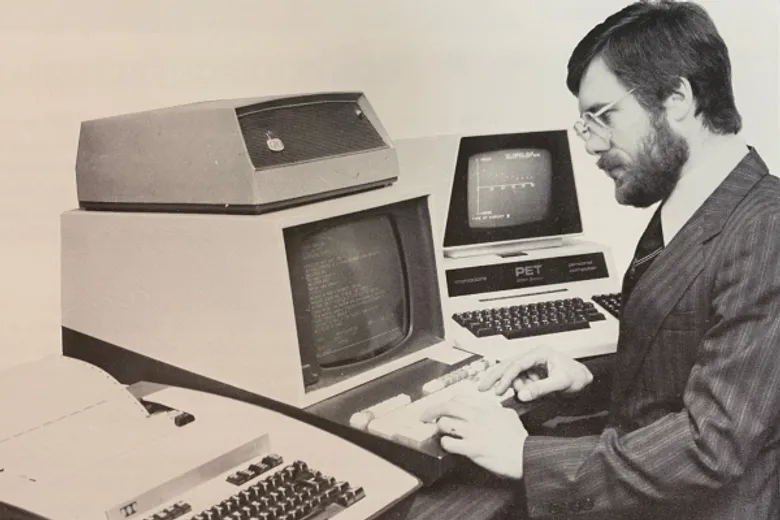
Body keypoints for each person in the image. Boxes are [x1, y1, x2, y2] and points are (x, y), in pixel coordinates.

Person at [421, 1, 780, 518]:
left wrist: (524, 456)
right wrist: (588, 380)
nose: (590, 143)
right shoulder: (691, 210)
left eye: (602, 116)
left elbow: (711, 444)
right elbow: (690, 371)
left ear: (677, 97)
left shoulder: (766, 227)